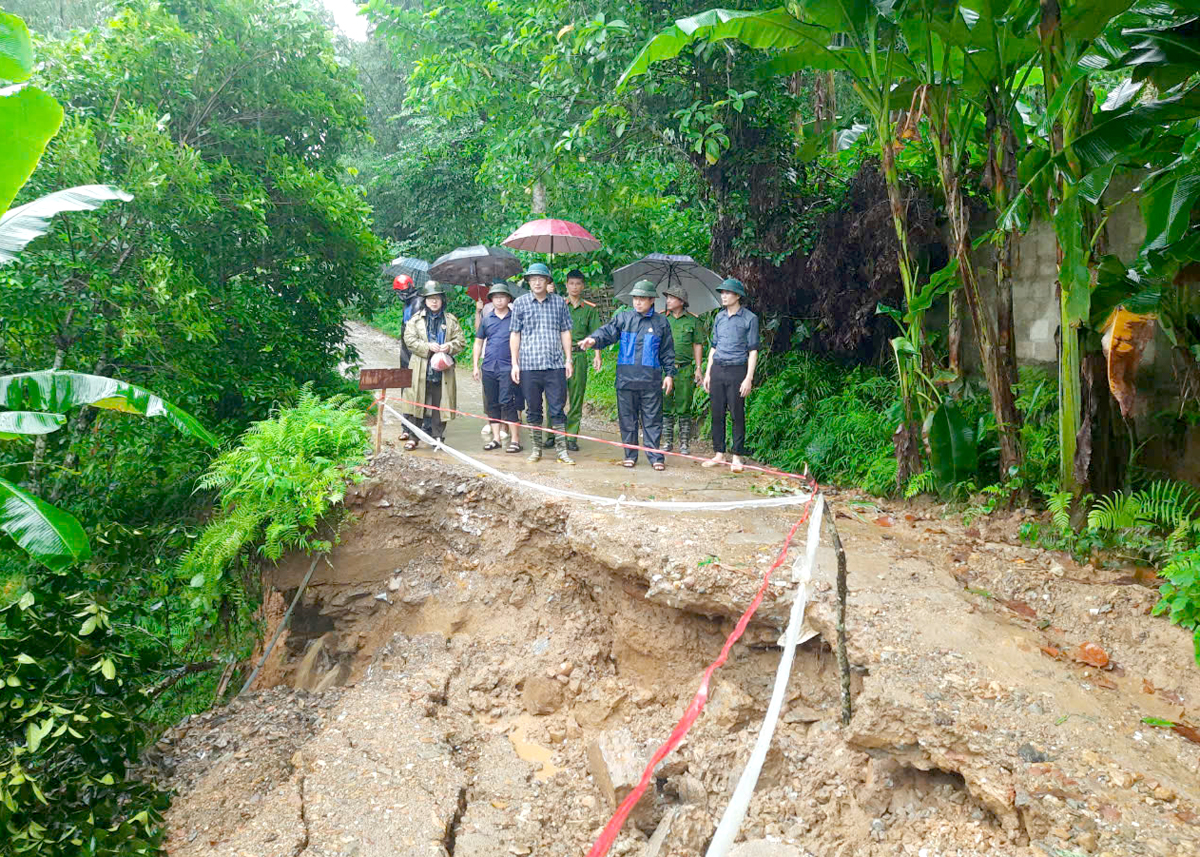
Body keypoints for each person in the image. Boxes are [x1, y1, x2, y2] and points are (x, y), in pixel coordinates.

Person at [578, 280, 675, 470]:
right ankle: (630, 455)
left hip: (651, 381)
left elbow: (667, 352)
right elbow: (608, 332)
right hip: (626, 379)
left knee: (652, 420)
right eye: (635, 298)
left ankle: (655, 457)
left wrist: (669, 374)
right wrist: (593, 339)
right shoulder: (623, 318)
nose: (637, 302)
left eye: (642, 298)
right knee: (627, 419)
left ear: (651, 300)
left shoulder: (661, 322)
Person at [510, 262, 575, 465]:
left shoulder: (559, 303)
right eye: (533, 278)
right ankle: (536, 449)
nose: (537, 282)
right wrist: (515, 363)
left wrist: (568, 359)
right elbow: (515, 334)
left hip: (555, 364)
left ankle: (561, 451)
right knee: (533, 409)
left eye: (541, 278)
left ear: (548, 281)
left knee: (557, 408)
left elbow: (565, 331)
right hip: (529, 365)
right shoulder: (520, 303)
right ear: (528, 281)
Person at [702, 277, 759, 473]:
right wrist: (708, 373)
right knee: (716, 413)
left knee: (737, 413)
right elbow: (713, 347)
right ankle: (719, 453)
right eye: (722, 293)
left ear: (737, 296)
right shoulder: (719, 317)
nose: (723, 296)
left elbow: (753, 350)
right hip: (718, 368)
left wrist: (748, 378)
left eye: (727, 293)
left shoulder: (750, 318)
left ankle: (737, 455)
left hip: (737, 370)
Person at [402, 281, 466, 450]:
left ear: (442, 300)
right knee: (417, 401)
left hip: (443, 370)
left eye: (437, 298)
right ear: (425, 300)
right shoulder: (416, 320)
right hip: (420, 367)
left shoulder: (451, 320)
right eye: (430, 298)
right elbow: (409, 340)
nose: (434, 302)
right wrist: (427, 347)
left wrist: (449, 347)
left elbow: (461, 341)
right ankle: (414, 436)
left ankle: (438, 437)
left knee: (440, 403)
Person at [545, 269, 602, 452]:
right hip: (558, 355)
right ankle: (552, 434)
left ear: (582, 286)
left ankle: (571, 436)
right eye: (571, 283)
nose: (574, 287)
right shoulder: (558, 304)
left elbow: (596, 334)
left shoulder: (589, 309)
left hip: (579, 355)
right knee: (554, 396)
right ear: (566, 285)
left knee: (576, 396)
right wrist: (549, 295)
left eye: (578, 283)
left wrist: (597, 355)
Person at [472, 282, 523, 453]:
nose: (499, 300)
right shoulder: (487, 319)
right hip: (488, 366)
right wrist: (475, 366)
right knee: (492, 403)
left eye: (502, 297)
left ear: (509, 299)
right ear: (491, 300)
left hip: (508, 366)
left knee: (508, 403)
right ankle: (496, 439)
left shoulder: (515, 318)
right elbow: (478, 342)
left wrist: (518, 364)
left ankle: (515, 440)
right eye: (496, 297)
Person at [661, 284, 705, 456]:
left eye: (671, 298)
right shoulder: (663, 319)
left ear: (681, 301)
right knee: (666, 405)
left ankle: (684, 443)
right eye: (667, 297)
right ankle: (667, 441)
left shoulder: (693, 321)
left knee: (684, 406)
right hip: (666, 369)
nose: (668, 301)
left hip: (685, 369)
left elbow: (697, 344)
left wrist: (699, 368)